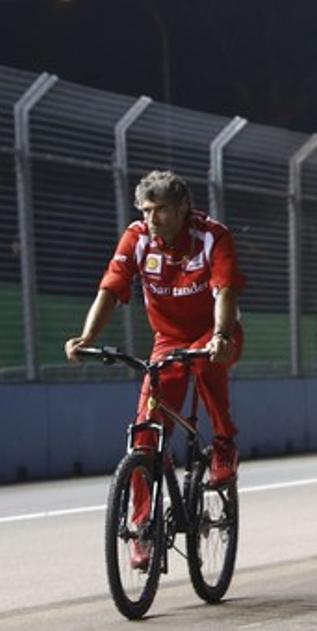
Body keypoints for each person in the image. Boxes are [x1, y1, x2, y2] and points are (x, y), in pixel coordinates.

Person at [65, 170, 245, 568]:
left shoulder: (213, 235)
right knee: (145, 433)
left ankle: (224, 445)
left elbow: (226, 291)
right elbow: (111, 289)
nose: (152, 219)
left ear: (183, 208)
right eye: (146, 210)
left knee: (204, 366)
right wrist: (86, 337)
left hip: (216, 333)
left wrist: (220, 335)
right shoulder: (137, 238)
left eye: (160, 210)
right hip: (167, 339)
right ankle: (142, 528)